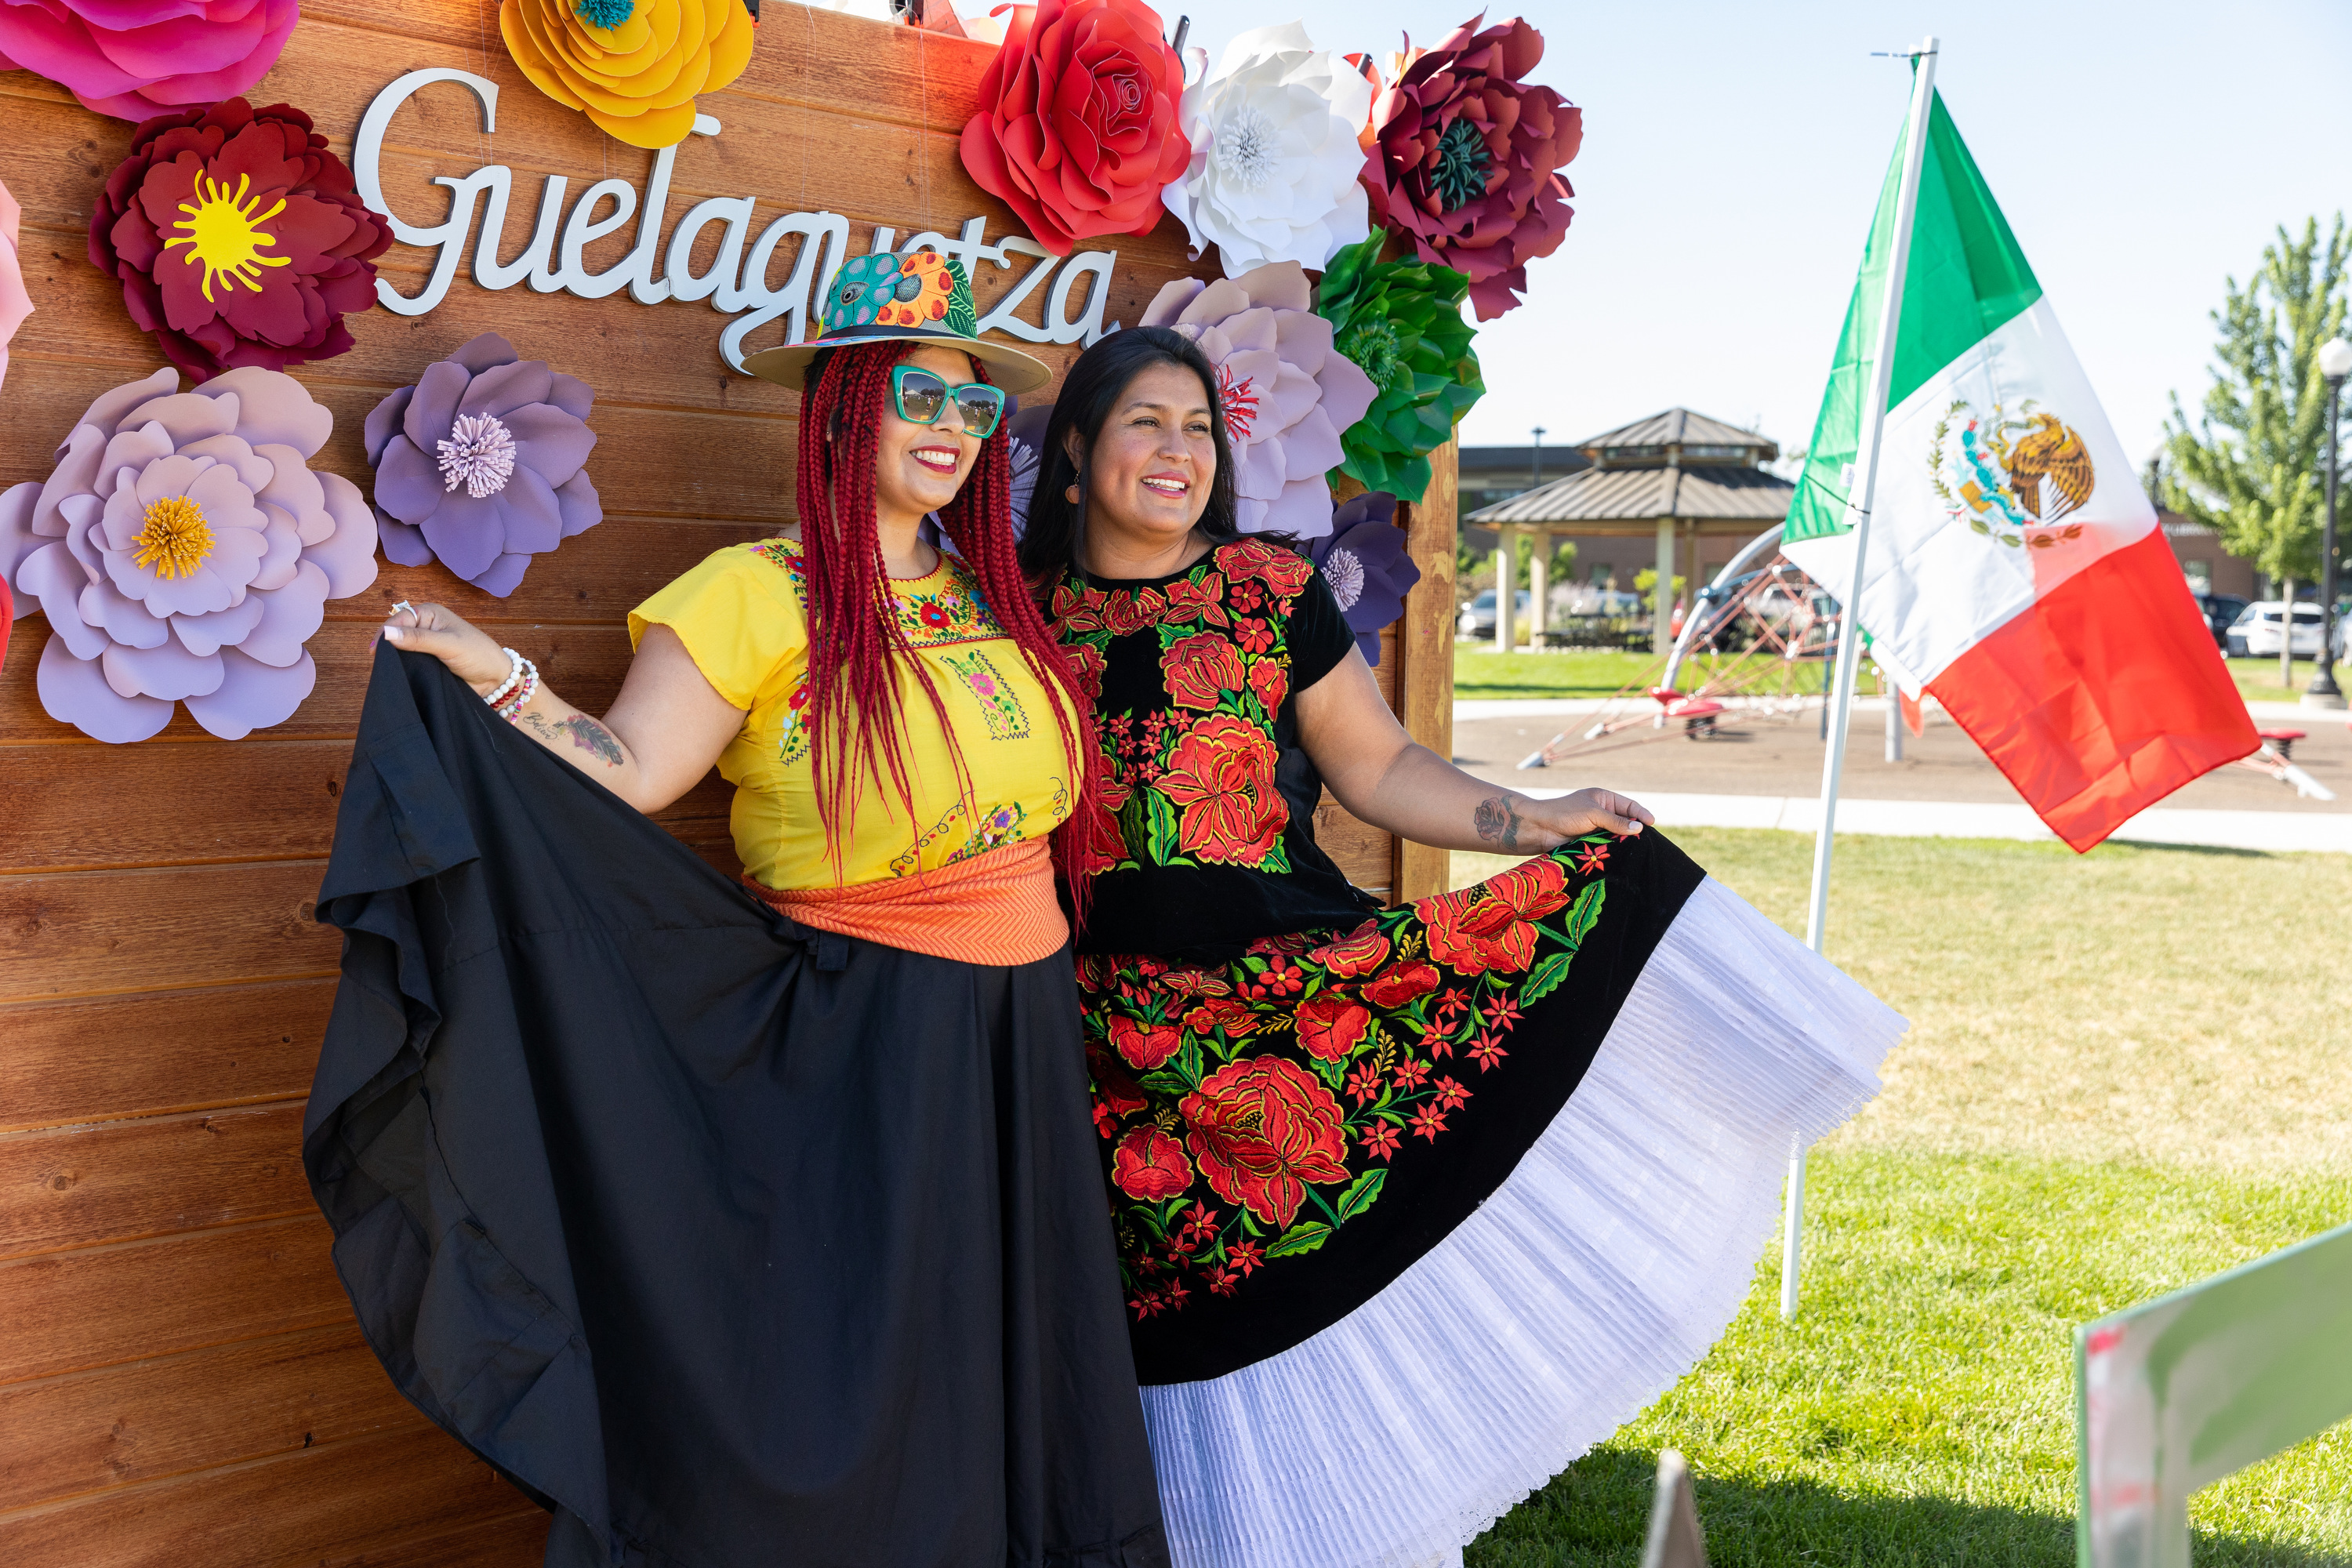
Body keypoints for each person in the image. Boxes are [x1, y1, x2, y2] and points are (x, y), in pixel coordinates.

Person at [304, 252, 1168, 1567]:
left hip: (1018, 1033)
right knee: (871, 1391)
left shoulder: (994, 595)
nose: (949, 430)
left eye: (973, 408)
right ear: (840, 407)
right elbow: (638, 775)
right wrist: (499, 681)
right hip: (869, 1036)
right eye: (917, 398)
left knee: (1014, 1357)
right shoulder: (753, 593)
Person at [1018, 327, 1904, 1568]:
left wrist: (1533, 822)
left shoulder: (1273, 590)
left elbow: (1376, 765)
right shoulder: (1013, 616)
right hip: (1112, 1041)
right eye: (1143, 424)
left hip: (1294, 1000)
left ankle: (1359, 1533)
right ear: (1072, 456)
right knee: (1201, 1330)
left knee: (1339, 1299)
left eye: (1198, 427)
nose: (1178, 452)